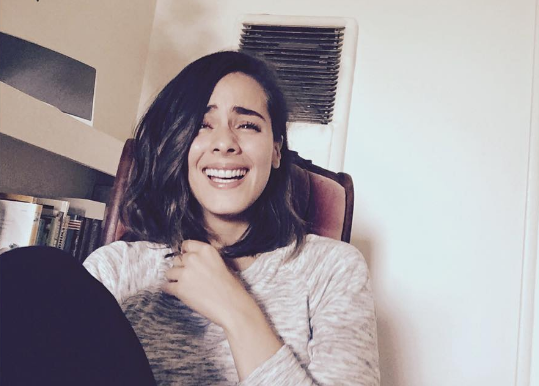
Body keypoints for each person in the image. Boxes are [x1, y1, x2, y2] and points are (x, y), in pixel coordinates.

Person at [1, 51, 379, 385]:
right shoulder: (119, 267)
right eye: (202, 124)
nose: (225, 142)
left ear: (276, 149)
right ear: (178, 144)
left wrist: (236, 309)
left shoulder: (332, 268)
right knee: (31, 271)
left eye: (247, 124)